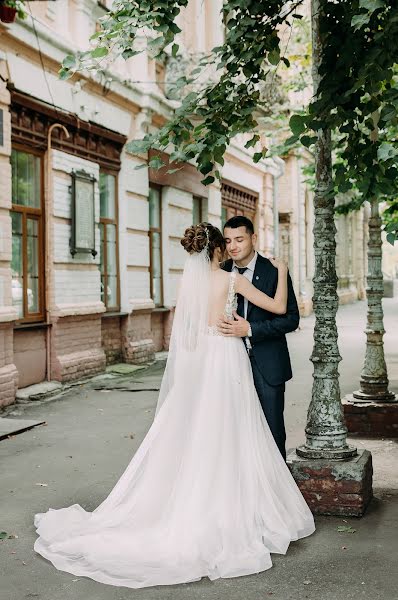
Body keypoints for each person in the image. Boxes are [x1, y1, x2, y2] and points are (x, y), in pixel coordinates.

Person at [34, 223, 315, 589]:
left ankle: (197, 500)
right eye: (225, 243)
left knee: (200, 432)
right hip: (227, 358)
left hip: (202, 362)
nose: (229, 249)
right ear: (216, 249)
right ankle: (242, 506)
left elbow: (186, 333)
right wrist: (284, 270)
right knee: (234, 431)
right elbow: (278, 306)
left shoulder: (190, 284)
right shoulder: (230, 281)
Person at [219, 216, 299, 460]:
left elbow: (290, 319)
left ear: (253, 238)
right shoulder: (220, 272)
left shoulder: (274, 271)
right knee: (233, 430)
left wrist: (251, 329)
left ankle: (277, 491)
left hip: (267, 363)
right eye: (228, 241)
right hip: (227, 364)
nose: (233, 246)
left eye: (239, 239)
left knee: (272, 430)